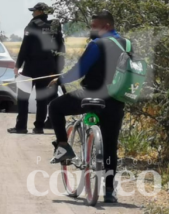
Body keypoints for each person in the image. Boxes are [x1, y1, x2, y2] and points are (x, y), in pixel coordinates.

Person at [47, 10, 127, 203]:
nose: (91, 30)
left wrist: (60, 79)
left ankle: (64, 147)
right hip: (116, 99)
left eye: (94, 26)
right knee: (110, 145)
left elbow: (80, 70)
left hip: (92, 94)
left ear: (106, 26)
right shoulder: (127, 44)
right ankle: (109, 192)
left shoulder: (97, 44)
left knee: (55, 107)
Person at [8, 2, 65, 134]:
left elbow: (25, 47)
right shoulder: (54, 26)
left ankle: (21, 126)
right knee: (41, 99)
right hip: (48, 67)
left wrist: (17, 66)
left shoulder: (32, 25)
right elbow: (60, 48)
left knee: (23, 97)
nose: (32, 13)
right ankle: (39, 127)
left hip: (31, 68)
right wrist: (57, 69)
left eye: (34, 11)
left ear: (40, 12)